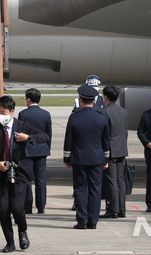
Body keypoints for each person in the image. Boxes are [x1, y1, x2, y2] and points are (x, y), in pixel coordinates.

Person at [0, 95, 49, 253]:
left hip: (19, 172)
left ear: (12, 111)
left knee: (18, 208)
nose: (0, 116)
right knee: (3, 209)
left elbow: (44, 136)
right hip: (0, 172)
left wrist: (28, 138)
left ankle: (22, 231)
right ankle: (9, 242)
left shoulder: (23, 126)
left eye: (4, 112)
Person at [63, 85, 110, 230]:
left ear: (80, 100)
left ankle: (82, 220)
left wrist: (67, 158)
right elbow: (106, 141)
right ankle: (93, 220)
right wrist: (106, 159)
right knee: (95, 190)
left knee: (80, 189)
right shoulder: (102, 117)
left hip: (79, 158)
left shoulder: (75, 117)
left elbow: (68, 140)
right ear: (95, 101)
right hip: (96, 158)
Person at [17, 88, 52, 215]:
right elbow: (48, 134)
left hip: (28, 149)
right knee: (41, 180)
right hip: (42, 149)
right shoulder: (46, 114)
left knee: (27, 179)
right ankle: (41, 206)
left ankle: (28, 206)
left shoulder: (23, 114)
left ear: (28, 99)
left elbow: (21, 133)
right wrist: (48, 148)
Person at [100, 85, 128, 219]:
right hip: (121, 148)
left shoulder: (104, 112)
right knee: (120, 180)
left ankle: (113, 209)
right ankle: (122, 209)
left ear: (105, 97)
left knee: (111, 180)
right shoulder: (123, 111)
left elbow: (104, 134)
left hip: (110, 149)